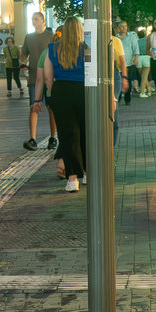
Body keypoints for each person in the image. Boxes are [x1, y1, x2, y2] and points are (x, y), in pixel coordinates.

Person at [42, 17, 88, 190]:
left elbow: (48, 76)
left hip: (61, 91)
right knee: (85, 132)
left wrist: (53, 93)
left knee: (68, 136)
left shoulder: (53, 49)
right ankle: (88, 172)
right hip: (83, 91)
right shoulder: (86, 48)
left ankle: (72, 179)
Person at [21, 12, 56, 151]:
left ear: (43, 20)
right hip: (34, 76)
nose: (34, 21)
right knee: (33, 107)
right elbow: (24, 53)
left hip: (49, 77)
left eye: (36, 19)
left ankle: (53, 137)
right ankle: (33, 138)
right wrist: (23, 64)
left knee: (51, 108)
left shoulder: (50, 36)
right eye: (32, 19)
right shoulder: (29, 37)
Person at [117, 22, 138, 106]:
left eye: (125, 26)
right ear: (118, 28)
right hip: (117, 64)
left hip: (129, 63)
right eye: (121, 26)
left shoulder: (132, 36)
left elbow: (136, 48)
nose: (123, 28)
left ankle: (127, 99)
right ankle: (117, 99)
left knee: (128, 82)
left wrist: (136, 58)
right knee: (117, 82)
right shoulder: (116, 37)